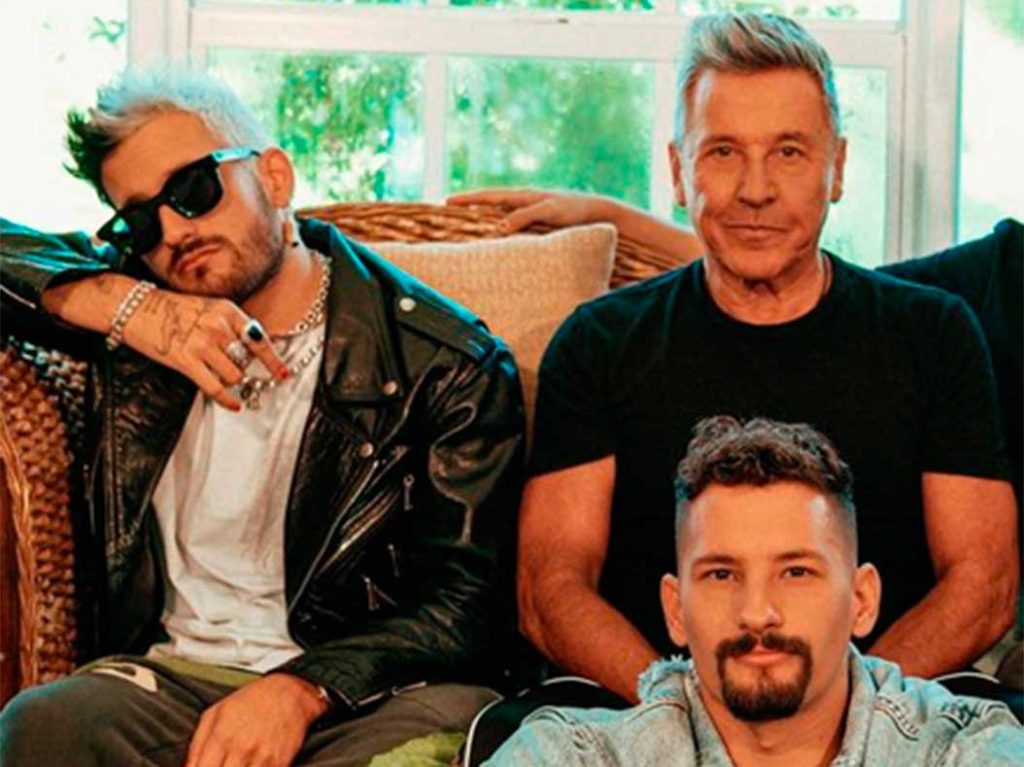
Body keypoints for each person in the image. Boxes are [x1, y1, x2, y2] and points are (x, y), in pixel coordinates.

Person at [453, 11, 1018, 705]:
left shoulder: (933, 334)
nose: (756, 188)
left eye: (789, 152)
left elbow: (983, 584)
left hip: (891, 707)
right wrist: (680, 712)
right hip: (642, 710)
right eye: (723, 152)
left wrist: (845, 712)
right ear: (678, 171)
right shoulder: (600, 343)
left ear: (837, 168)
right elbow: (551, 591)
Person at [0, 66, 525, 767]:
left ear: (274, 177)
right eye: (141, 221)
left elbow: (466, 606)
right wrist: (131, 308)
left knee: (439, 735)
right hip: (173, 683)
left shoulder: (445, 362)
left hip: (365, 694)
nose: (173, 232)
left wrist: (307, 686)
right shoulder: (141, 321)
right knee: (40, 725)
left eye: (194, 190)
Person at [484, 417, 1024, 766]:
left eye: (796, 573)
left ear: (862, 600)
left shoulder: (963, 750)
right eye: (721, 575)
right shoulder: (572, 755)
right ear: (675, 609)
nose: (758, 613)